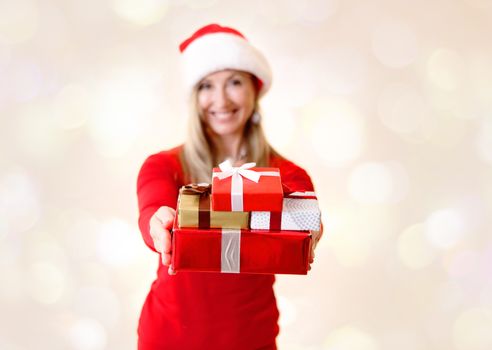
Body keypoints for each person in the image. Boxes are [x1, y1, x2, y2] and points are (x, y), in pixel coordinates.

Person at [136, 23, 323, 350]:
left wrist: (310, 229)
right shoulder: (163, 167)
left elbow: (306, 221)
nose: (220, 99)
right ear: (195, 97)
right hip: (169, 336)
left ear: (254, 88)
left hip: (250, 338)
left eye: (234, 82)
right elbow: (152, 209)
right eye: (207, 86)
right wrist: (159, 222)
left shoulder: (288, 176)